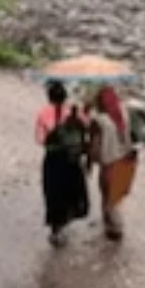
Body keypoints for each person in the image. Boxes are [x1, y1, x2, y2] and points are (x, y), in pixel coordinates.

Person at [35, 80, 90, 247]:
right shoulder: (75, 113)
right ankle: (65, 221)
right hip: (71, 160)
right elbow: (86, 129)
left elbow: (39, 139)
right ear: (65, 97)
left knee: (53, 193)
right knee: (71, 192)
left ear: (49, 97)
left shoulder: (43, 114)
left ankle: (55, 229)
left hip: (53, 160)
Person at [88, 84, 138, 240]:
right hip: (126, 161)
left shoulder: (99, 121)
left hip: (109, 165)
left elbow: (95, 149)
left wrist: (89, 159)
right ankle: (112, 225)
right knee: (116, 198)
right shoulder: (124, 112)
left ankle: (114, 228)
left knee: (107, 197)